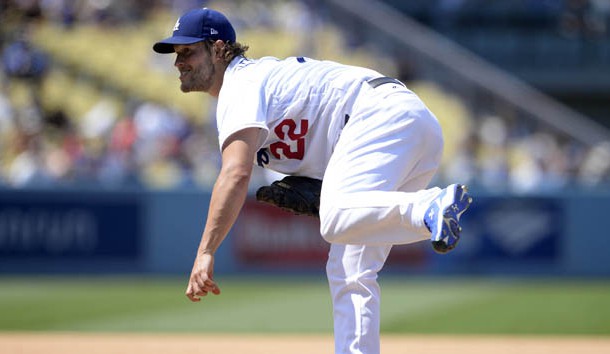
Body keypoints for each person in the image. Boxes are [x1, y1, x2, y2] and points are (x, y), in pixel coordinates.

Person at [153, 7, 472, 354]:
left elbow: (235, 172)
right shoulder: (255, 84)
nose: (178, 62)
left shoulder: (239, 84)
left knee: (335, 221)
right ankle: (429, 214)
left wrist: (205, 253)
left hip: (378, 115)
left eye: (187, 51)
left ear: (218, 48)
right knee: (350, 266)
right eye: (176, 53)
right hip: (408, 124)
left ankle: (427, 205)